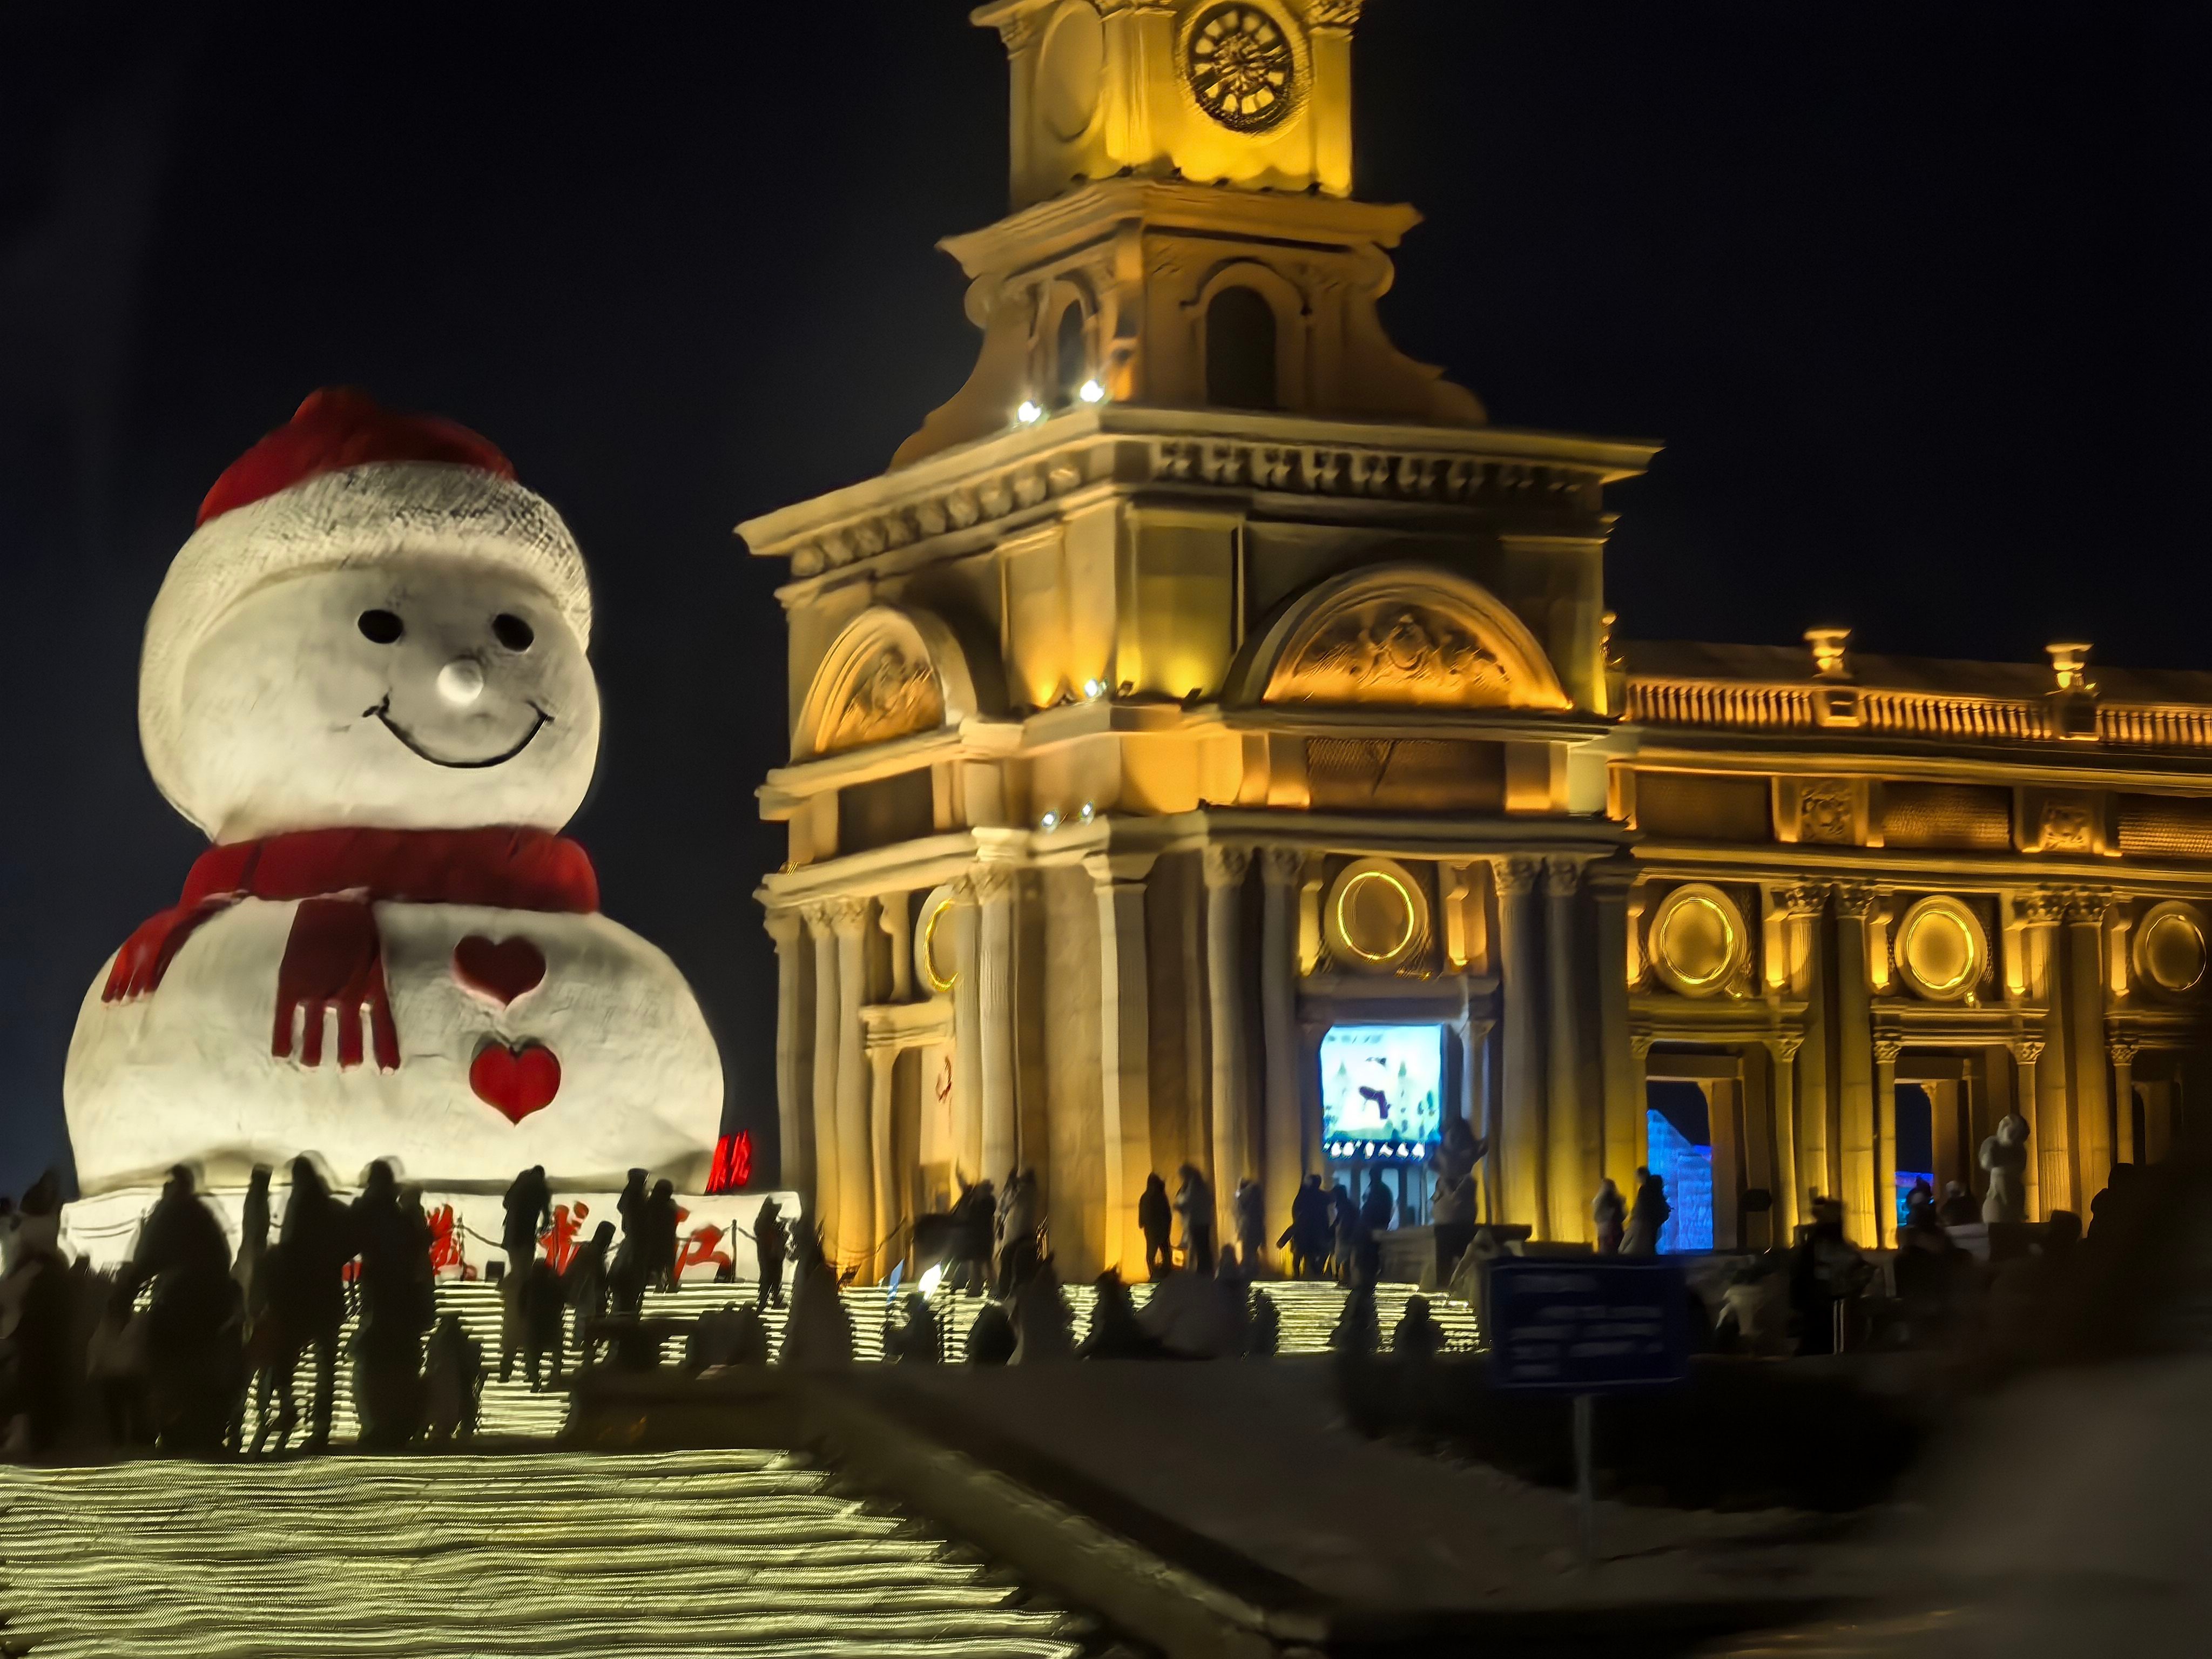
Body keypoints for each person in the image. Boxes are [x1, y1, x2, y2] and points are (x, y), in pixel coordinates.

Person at [274, 1156, 355, 1450]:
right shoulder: (333, 1209)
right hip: (328, 1298)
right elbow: (352, 1239)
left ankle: (288, 1405)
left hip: (302, 1297)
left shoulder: (300, 1208)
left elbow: (290, 1249)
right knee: (326, 1366)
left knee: (285, 1354)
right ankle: (320, 1427)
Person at [422, 1313, 483, 1443]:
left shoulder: (439, 1340)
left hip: (447, 1379)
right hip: (455, 1380)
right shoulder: (459, 1342)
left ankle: (439, 1429)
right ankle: (457, 1427)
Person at [1078, 1271, 1163, 1360]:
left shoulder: (1114, 1316)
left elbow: (1103, 1340)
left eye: (1100, 1294)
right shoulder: (1120, 1311)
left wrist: (1079, 1355)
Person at [564, 1221, 617, 1363]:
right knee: (589, 1325)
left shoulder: (587, 1250)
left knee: (585, 1323)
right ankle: (586, 1350)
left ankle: (583, 1347)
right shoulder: (595, 1255)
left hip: (585, 1296)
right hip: (591, 1298)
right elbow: (598, 1279)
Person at [502, 1165, 554, 1277]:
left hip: (512, 1231)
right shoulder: (541, 1188)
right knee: (526, 1268)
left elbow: (506, 1203)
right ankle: (524, 1290)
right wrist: (543, 1228)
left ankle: (514, 1289)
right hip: (527, 1233)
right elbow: (547, 1218)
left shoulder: (521, 1181)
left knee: (516, 1266)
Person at [995, 1169, 1040, 1296]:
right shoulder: (1030, 1192)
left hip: (1016, 1233)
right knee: (1012, 1262)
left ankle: (1005, 1290)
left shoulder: (1022, 1192)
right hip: (1021, 1232)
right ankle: (1009, 1290)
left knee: (1008, 1261)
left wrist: (1009, 1186)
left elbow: (1003, 1204)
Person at [1282, 1174, 1328, 1279]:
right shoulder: (1321, 1197)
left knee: (1299, 1255)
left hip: (1303, 1231)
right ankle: (1310, 1274)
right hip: (1315, 1231)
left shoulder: (1304, 1196)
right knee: (1310, 1255)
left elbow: (1296, 1210)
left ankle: (1298, 1275)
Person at [1174, 1164, 1215, 1276]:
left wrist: (1180, 1206)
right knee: (1204, 1246)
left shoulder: (1193, 1186)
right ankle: (1205, 1269)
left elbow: (1190, 1201)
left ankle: (1201, 1270)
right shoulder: (1202, 1185)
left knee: (1199, 1247)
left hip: (1196, 1221)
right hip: (1203, 1220)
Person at [642, 1180, 681, 1292]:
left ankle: (660, 1285)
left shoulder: (651, 1204)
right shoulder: (670, 1205)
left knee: (657, 1263)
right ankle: (672, 1285)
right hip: (668, 1239)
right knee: (669, 1263)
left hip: (654, 1239)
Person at [884, 1292, 942, 1364]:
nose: (906, 1308)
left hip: (919, 1364)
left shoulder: (923, 1321)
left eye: (909, 1304)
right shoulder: (919, 1320)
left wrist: (892, 1336)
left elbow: (910, 1343)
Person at [1623, 1167, 1670, 1256]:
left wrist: (1634, 1218)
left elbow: (1641, 1207)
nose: (1636, 1179)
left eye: (1637, 1177)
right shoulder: (1655, 1187)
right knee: (1652, 1242)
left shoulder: (1644, 1190)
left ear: (1641, 1176)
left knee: (1645, 1245)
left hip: (1645, 1221)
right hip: (1655, 1219)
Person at [753, 1196, 789, 1308]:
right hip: (770, 1252)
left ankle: (768, 1298)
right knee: (770, 1274)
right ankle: (767, 1299)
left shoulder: (764, 1221)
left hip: (770, 1252)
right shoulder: (765, 1222)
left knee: (770, 1274)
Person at [1137, 1173, 1174, 1282]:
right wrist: (1167, 1227)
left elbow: (1143, 1214)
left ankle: (1153, 1274)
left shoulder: (1146, 1196)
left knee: (1151, 1253)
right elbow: (1168, 1214)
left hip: (1151, 1230)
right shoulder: (1161, 1195)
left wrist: (1142, 1223)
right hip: (1162, 1229)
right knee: (1166, 1252)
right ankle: (1166, 1274)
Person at [1233, 1178, 1267, 1275]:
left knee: (1247, 1250)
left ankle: (1247, 1269)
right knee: (1253, 1250)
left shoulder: (1242, 1196)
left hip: (1246, 1227)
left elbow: (1237, 1200)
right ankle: (1254, 1269)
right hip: (1256, 1227)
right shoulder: (1257, 1198)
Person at [1592, 1177, 1627, 1255]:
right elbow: (1623, 1216)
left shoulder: (1599, 1201)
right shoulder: (1618, 1200)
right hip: (1615, 1231)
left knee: (1604, 1252)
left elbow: (1596, 1217)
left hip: (1604, 1231)